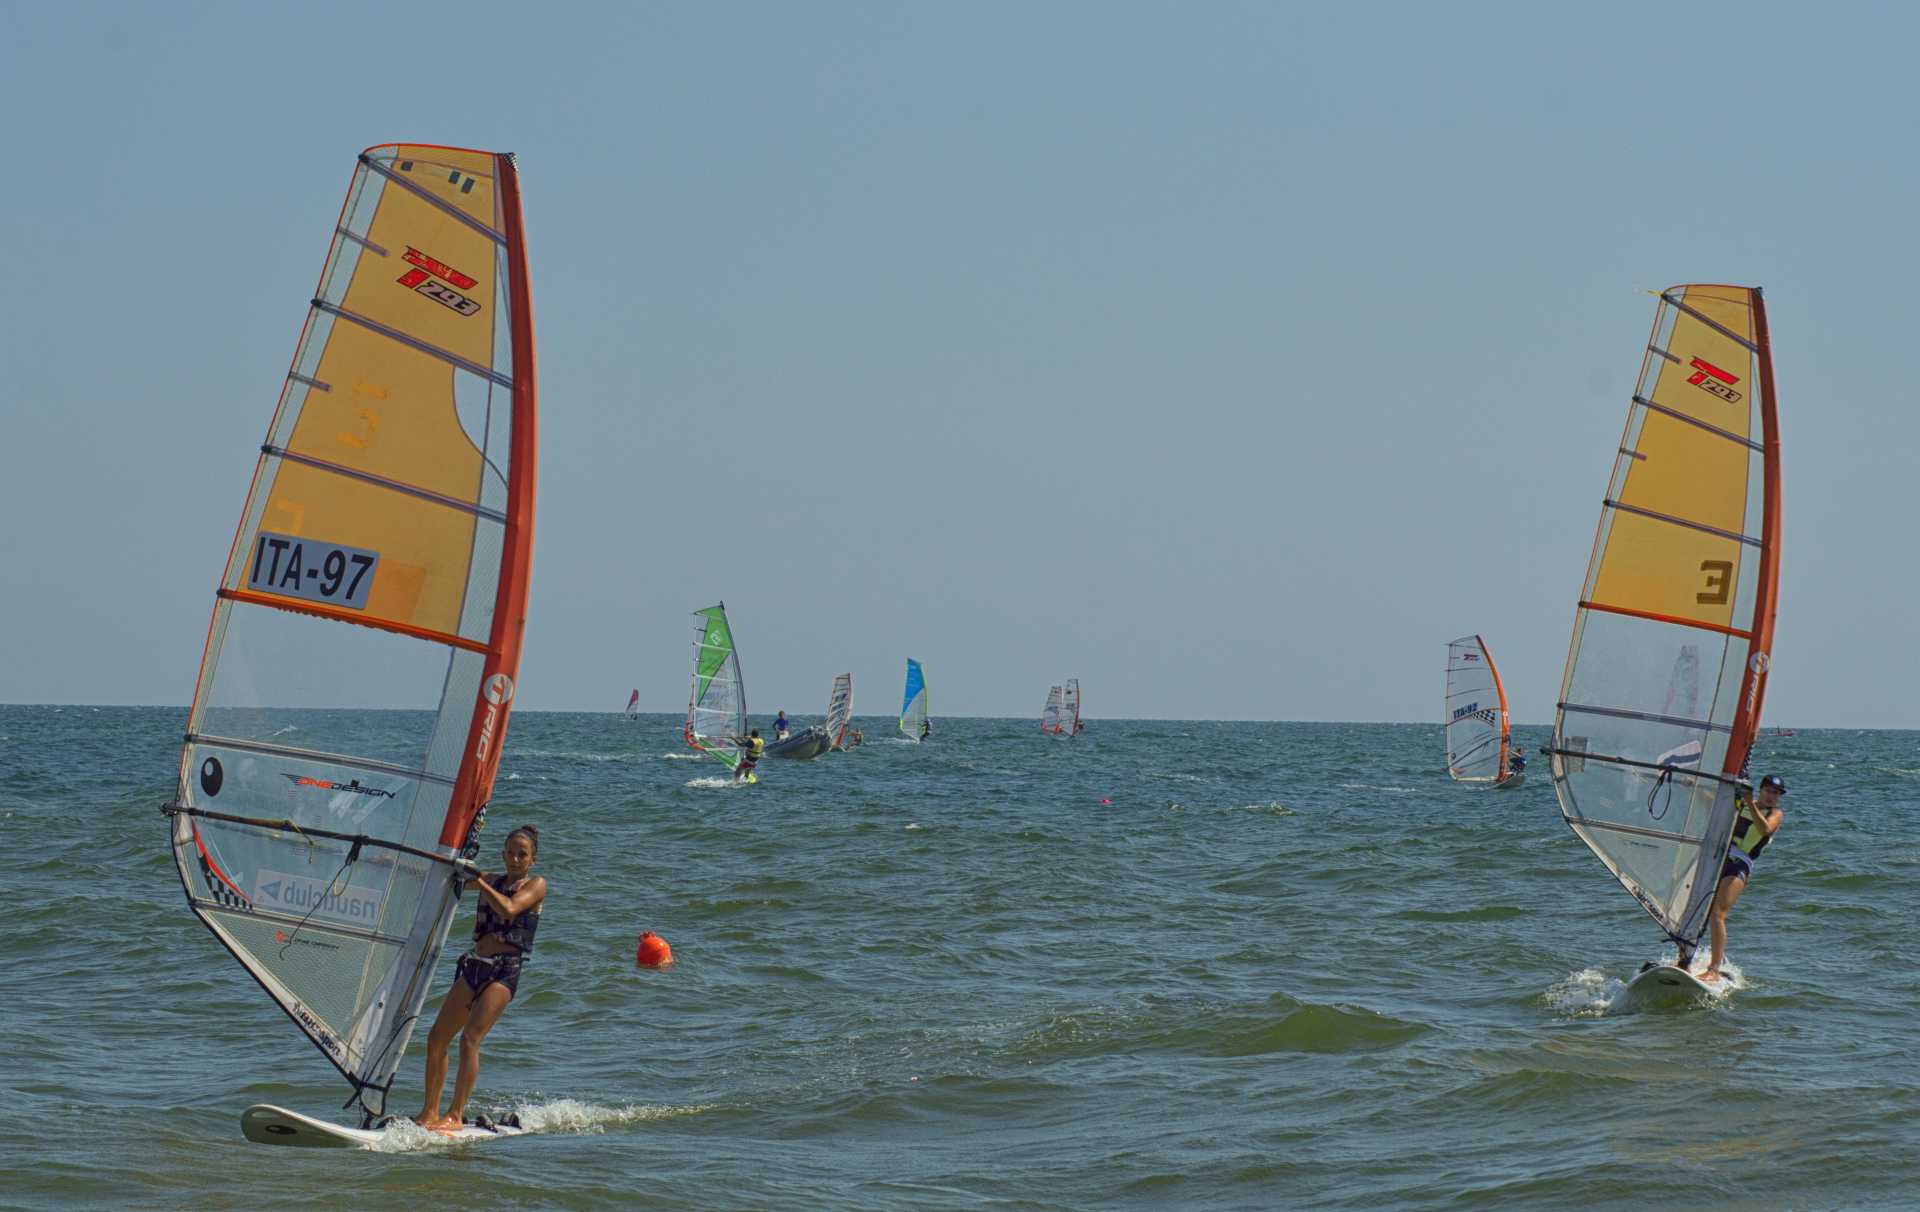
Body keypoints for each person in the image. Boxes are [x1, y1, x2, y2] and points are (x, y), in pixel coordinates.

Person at [414, 824, 547, 1133]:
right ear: (502, 854)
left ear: (533, 860)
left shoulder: (537, 885)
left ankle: (455, 1115)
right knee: (436, 1038)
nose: (515, 859)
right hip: (475, 965)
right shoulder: (491, 879)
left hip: (504, 971)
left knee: (470, 1038)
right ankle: (429, 1111)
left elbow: (511, 908)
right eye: (510, 853)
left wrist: (480, 882)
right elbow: (446, 881)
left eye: (522, 855)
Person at [1696, 774, 1786, 982]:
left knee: (1718, 913)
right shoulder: (1742, 804)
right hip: (1718, 856)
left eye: (1777, 793)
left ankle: (1714, 969)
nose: (1772, 796)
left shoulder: (1775, 813)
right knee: (1696, 905)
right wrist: (1693, 784)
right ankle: (1684, 957)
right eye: (1769, 791)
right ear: (1761, 789)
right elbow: (1710, 803)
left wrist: (1748, 803)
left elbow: (1764, 829)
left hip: (1740, 864)